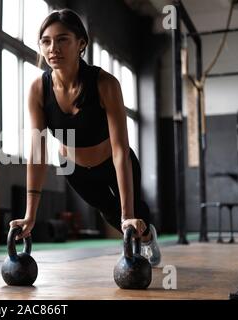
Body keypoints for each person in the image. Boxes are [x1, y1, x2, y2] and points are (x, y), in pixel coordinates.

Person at [9, 9, 161, 266]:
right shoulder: (38, 89)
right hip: (75, 170)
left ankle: (147, 237)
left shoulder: (105, 84)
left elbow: (120, 150)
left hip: (114, 162)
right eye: (46, 41)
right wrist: (29, 216)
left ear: (81, 43)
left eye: (62, 39)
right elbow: (37, 152)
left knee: (132, 215)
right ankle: (134, 225)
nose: (53, 48)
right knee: (108, 213)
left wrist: (128, 216)